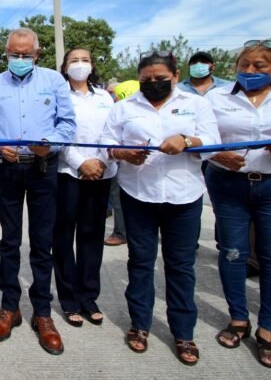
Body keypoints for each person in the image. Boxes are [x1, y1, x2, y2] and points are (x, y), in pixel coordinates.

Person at [101, 50, 219, 366]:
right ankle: (139, 325)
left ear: (176, 76)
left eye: (160, 79)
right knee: (140, 262)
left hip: (184, 196)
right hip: (138, 194)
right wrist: (122, 153)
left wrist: (188, 140)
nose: (153, 84)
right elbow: (106, 145)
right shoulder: (124, 107)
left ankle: (184, 332)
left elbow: (212, 141)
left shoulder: (197, 105)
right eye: (147, 80)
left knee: (180, 266)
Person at [205, 39, 271, 368]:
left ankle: (268, 330)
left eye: (260, 66)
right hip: (228, 184)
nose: (250, 71)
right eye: (244, 64)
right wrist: (217, 153)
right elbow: (200, 137)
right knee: (233, 252)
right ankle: (238, 319)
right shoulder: (216, 98)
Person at [0, 29, 75, 354]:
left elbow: (67, 123)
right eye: (14, 54)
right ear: (6, 53)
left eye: (26, 55)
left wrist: (49, 145)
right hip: (7, 168)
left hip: (43, 168)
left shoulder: (54, 81)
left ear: (37, 55)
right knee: (10, 241)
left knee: (42, 243)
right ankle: (10, 306)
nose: (19, 60)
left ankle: (43, 312)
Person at [54, 48, 115, 329]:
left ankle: (89, 297)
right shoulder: (58, 94)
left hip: (100, 174)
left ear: (92, 65)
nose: (80, 64)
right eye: (74, 60)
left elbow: (112, 133)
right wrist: (80, 163)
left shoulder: (104, 97)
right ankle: (69, 299)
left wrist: (99, 161)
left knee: (92, 236)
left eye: (85, 60)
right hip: (68, 173)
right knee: (64, 237)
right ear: (65, 66)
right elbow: (58, 133)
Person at [103, 80, 139, 247]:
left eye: (114, 95)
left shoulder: (123, 109)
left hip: (125, 161)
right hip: (122, 158)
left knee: (117, 197)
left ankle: (121, 232)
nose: (113, 98)